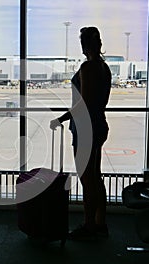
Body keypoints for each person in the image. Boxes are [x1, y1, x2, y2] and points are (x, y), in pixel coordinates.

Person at [50, 26, 111, 240]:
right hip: (99, 125)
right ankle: (99, 222)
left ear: (84, 45)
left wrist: (61, 118)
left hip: (86, 128)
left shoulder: (87, 68)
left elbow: (82, 105)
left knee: (87, 179)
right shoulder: (105, 68)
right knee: (96, 177)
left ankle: (88, 226)